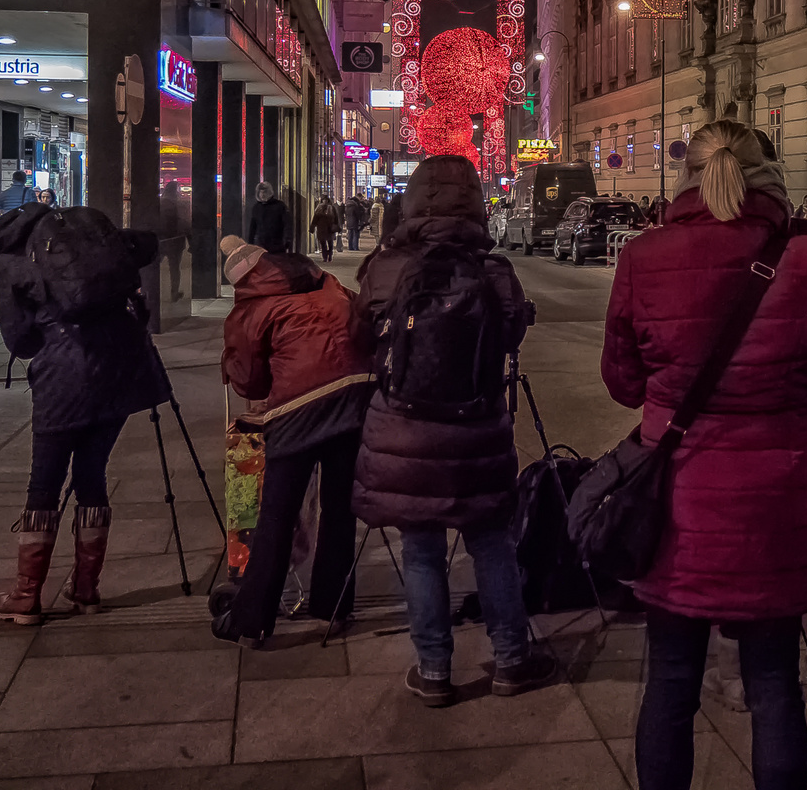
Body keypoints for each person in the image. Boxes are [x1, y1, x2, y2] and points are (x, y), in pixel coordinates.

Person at [603, 120, 807, 790]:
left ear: (688, 176)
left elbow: (622, 382)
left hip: (677, 504)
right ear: (766, 176)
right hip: (775, 499)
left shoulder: (644, 255)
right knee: (774, 683)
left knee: (672, 679)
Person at [349, 156, 554, 705]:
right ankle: (512, 660)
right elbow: (510, 338)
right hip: (477, 426)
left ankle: (434, 670)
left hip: (406, 428)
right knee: (491, 544)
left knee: (420, 550)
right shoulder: (494, 271)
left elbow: (359, 336)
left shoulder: (385, 267)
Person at [0, 201, 170, 625]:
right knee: (91, 473)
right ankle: (86, 588)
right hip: (119, 367)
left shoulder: (10, 262)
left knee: (43, 483)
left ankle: (27, 595)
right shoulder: (83, 239)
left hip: (64, 377)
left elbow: (20, 340)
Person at [211, 235, 372, 646]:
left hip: (300, 408)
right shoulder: (327, 282)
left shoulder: (251, 310)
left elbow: (250, 381)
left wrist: (231, 362)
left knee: (277, 514)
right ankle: (333, 606)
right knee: (340, 509)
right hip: (356, 395)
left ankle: (252, 618)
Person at [247, 182, 291, 255]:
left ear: (270, 193)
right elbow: (253, 227)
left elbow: (287, 224)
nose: (262, 195)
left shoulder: (279, 206)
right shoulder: (257, 207)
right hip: (261, 245)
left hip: (277, 245)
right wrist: (250, 243)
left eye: (265, 192)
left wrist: (287, 240)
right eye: (261, 193)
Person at [309, 197, 339, 262]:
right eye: (323, 200)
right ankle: (325, 257)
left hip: (330, 229)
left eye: (326, 200)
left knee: (330, 243)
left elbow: (336, 218)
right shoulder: (319, 209)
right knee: (323, 243)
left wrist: (337, 227)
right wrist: (312, 227)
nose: (324, 201)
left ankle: (330, 255)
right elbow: (315, 219)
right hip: (321, 228)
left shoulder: (332, 208)